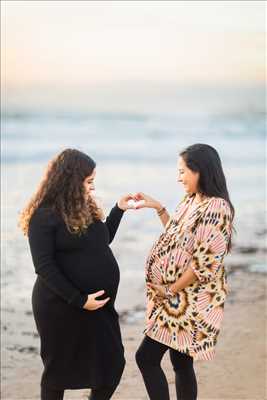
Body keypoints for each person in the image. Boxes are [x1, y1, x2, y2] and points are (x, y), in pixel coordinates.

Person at [19, 148, 135, 400]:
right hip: (60, 305)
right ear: (71, 180)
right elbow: (44, 266)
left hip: (97, 305)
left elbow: (101, 240)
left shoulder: (84, 209)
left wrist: (118, 209)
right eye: (89, 182)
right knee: (58, 372)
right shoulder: (43, 216)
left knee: (112, 364)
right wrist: (80, 300)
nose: (92, 188)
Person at [134, 143, 235, 400]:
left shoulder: (217, 207)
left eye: (182, 172)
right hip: (178, 296)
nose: (178, 178)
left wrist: (169, 290)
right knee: (181, 362)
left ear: (199, 170)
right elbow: (177, 239)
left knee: (146, 358)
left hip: (189, 298)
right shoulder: (190, 201)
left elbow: (204, 262)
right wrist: (160, 209)